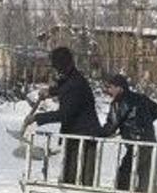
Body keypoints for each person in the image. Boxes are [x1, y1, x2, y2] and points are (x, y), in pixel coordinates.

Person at [24, 47, 101, 185]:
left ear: (62, 65)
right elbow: (64, 87)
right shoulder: (72, 77)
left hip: (85, 135)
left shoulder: (75, 83)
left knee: (80, 175)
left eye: (56, 67)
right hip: (75, 133)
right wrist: (50, 92)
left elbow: (64, 114)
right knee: (69, 170)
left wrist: (37, 118)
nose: (55, 71)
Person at [99, 74, 157, 192]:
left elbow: (111, 126)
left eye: (111, 87)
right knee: (145, 175)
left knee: (125, 173)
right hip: (149, 140)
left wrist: (96, 133)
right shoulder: (140, 97)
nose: (109, 91)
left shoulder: (119, 103)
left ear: (120, 88)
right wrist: (144, 122)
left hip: (136, 143)